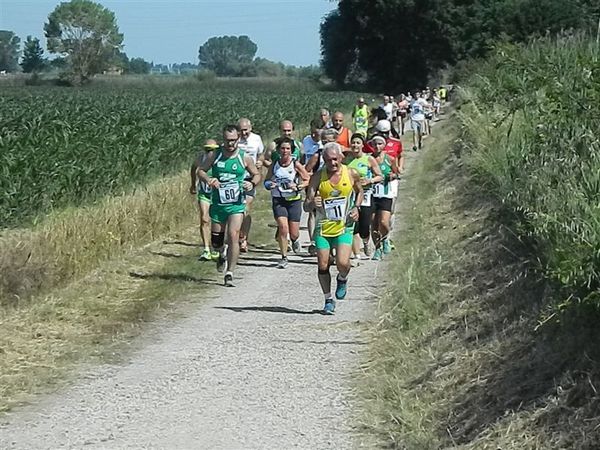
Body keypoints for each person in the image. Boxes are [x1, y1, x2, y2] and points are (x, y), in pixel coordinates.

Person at [196, 125, 262, 287]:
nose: (230, 144)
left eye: (233, 140)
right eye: (227, 141)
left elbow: (257, 174)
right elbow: (201, 171)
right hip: (219, 204)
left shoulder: (244, 157)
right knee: (217, 242)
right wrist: (209, 180)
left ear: (238, 138)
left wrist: (251, 183)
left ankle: (230, 273)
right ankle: (221, 254)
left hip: (236, 204)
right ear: (223, 139)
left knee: (234, 235)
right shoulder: (215, 155)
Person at [304, 142, 364, 315]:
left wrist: (356, 208)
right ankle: (328, 299)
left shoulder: (351, 173)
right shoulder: (317, 177)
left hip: (344, 225)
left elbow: (360, 192)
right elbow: (306, 206)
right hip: (323, 227)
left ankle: (342, 277)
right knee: (323, 265)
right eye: (329, 160)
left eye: (336, 160)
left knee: (343, 263)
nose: (333, 163)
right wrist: (311, 203)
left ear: (341, 158)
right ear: (324, 159)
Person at [264, 137, 310, 268]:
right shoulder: (275, 164)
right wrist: (269, 184)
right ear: (278, 150)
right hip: (278, 199)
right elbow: (266, 181)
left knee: (294, 232)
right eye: (283, 148)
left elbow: (307, 179)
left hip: (293, 201)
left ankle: (295, 240)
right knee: (284, 228)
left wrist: (298, 186)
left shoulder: (295, 164)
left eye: (288, 148)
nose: (285, 151)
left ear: (292, 151)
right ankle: (284, 257)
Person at [345, 133, 383, 259]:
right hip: (351, 194)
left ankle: (366, 242)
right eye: (353, 142)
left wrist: (369, 181)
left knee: (364, 225)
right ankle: (356, 254)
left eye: (358, 143)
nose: (355, 145)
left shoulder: (368, 159)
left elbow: (380, 176)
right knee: (352, 223)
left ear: (362, 145)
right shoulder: (346, 159)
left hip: (366, 194)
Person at [305, 127, 338, 256]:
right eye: (323, 141)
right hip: (319, 187)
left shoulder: (340, 154)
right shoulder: (317, 155)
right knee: (315, 214)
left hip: (336, 187)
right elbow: (307, 170)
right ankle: (314, 242)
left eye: (329, 141)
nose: (326, 144)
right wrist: (310, 183)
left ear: (335, 140)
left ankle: (334, 246)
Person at [369, 135, 400, 260]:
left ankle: (385, 238)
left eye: (380, 144)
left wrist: (391, 176)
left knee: (383, 222)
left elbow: (396, 173)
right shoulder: (368, 159)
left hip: (385, 194)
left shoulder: (390, 159)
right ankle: (377, 248)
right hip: (371, 194)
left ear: (384, 145)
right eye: (375, 144)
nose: (377, 146)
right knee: (373, 223)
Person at [236, 118, 264, 253]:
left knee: (245, 208)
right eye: (241, 130)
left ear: (250, 128)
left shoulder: (256, 139)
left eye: (245, 130)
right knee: (235, 210)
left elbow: (261, 155)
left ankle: (243, 238)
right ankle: (235, 234)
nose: (243, 133)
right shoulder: (234, 140)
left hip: (250, 178)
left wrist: (259, 162)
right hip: (235, 179)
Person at [190, 139, 220, 261]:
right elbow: (193, 168)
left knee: (218, 221)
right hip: (204, 193)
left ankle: (218, 247)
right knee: (204, 219)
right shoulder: (201, 158)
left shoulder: (220, 159)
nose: (210, 152)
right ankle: (206, 249)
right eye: (208, 149)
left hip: (218, 195)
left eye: (213, 150)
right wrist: (193, 184)